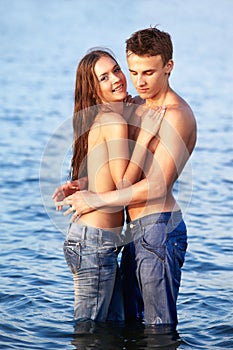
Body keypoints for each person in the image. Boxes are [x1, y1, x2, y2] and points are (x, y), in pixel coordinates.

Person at [57, 27, 197, 328]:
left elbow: (158, 185)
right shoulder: (137, 105)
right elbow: (112, 164)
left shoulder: (175, 115)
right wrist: (83, 184)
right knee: (130, 325)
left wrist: (96, 198)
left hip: (159, 228)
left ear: (168, 67)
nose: (138, 81)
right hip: (132, 233)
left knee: (157, 327)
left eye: (148, 72)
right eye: (133, 71)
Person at [52, 48, 165, 323]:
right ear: (92, 90)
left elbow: (103, 170)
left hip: (93, 241)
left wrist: (82, 183)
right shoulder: (113, 120)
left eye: (116, 70)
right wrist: (145, 139)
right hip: (94, 244)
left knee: (109, 329)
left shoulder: (105, 117)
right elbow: (123, 185)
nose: (116, 78)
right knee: (89, 333)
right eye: (104, 77)